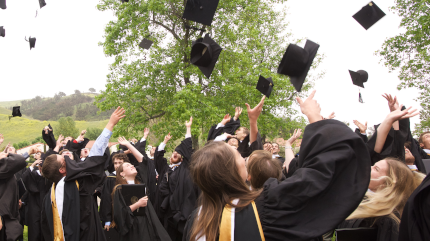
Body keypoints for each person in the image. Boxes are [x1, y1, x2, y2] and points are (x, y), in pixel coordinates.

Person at [183, 90, 371, 241]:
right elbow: (321, 175)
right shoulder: (266, 204)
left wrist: (253, 122)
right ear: (234, 171)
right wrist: (315, 117)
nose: (243, 157)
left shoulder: (195, 222)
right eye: (238, 155)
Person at [40, 107, 125, 241]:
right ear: (62, 170)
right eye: (64, 159)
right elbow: (95, 156)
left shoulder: (49, 196)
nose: (68, 158)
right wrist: (110, 124)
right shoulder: (77, 186)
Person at [336, 158, 424, 241]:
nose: (369, 168)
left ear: (388, 183)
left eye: (376, 169)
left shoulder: (387, 220)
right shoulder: (359, 201)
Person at [111, 136, 170, 241]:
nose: (132, 166)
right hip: (133, 229)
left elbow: (142, 160)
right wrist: (137, 205)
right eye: (128, 166)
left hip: (148, 224)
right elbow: (120, 215)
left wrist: (129, 145)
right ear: (122, 174)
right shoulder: (119, 190)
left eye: (132, 165)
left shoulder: (141, 182)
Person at [0, 145, 40, 241]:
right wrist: (28, 152)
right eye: (3, 154)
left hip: (10, 211)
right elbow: (18, 160)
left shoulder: (4, 172)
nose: (7, 154)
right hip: (3, 215)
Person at [160, 117, 196, 241]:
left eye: (178, 152)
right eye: (173, 152)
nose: (175, 153)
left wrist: (188, 128)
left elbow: (187, 148)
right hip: (172, 211)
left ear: (182, 158)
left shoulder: (187, 167)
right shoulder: (167, 170)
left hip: (186, 210)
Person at [21, 154, 51, 241]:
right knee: (35, 229)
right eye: (40, 167)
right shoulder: (33, 174)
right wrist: (33, 165)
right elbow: (24, 179)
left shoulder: (49, 177)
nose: (42, 169)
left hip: (46, 205)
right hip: (34, 205)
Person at [100, 152, 130, 232]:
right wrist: (107, 219)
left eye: (120, 163)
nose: (117, 165)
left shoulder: (131, 177)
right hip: (115, 216)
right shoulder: (110, 178)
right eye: (115, 163)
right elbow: (106, 199)